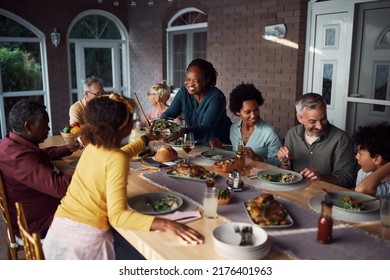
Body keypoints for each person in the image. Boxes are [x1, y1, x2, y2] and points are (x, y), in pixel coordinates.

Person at [43, 94, 204, 260]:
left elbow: (120, 154)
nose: (133, 122)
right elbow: (118, 217)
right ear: (121, 127)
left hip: (59, 232)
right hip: (85, 242)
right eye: (130, 119)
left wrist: (146, 138)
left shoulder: (94, 147)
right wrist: (167, 224)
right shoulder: (115, 158)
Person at [0, 100, 82, 239]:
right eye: (44, 125)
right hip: (38, 224)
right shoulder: (18, 159)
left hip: (36, 213)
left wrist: (67, 148)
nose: (48, 129)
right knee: (99, 212)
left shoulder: (10, 144)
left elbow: (38, 155)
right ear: (29, 126)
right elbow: (61, 187)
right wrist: (90, 161)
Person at [277, 93, 356, 189]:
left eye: (323, 119)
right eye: (312, 121)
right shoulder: (292, 134)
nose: (319, 126)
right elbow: (286, 174)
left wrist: (321, 178)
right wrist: (284, 162)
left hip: (325, 196)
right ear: (299, 118)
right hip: (296, 192)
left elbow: (348, 179)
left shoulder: (342, 139)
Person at [161, 58, 232, 146]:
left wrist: (182, 132)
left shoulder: (217, 98)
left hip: (217, 146)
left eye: (196, 80)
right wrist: (161, 123)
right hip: (196, 145)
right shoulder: (184, 92)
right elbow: (170, 113)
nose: (190, 84)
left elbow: (205, 127)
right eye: (188, 79)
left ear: (207, 80)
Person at [227, 82, 282, 166]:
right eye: (247, 112)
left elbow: (278, 164)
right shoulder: (233, 129)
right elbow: (234, 153)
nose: (253, 116)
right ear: (238, 112)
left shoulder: (270, 132)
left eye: (256, 110)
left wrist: (257, 158)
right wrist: (222, 147)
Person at [353, 122, 390, 197]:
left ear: (377, 159)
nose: (356, 157)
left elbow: (361, 189)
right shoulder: (363, 173)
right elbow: (359, 197)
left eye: (360, 153)